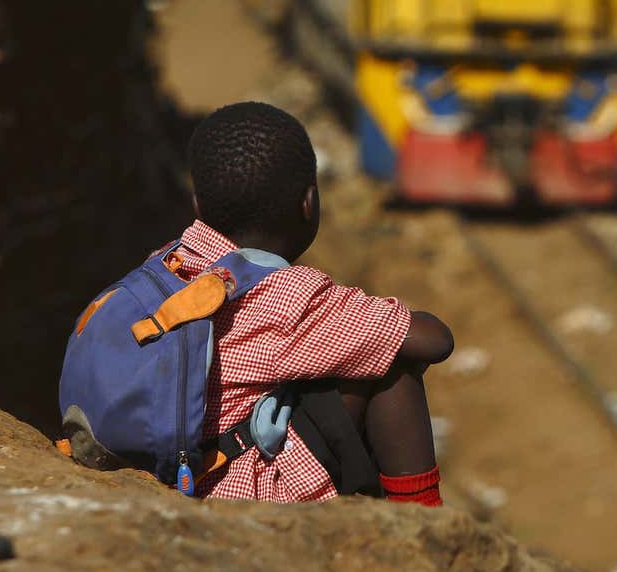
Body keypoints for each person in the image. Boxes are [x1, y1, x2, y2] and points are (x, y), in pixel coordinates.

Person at [176, 101, 453, 504]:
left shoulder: (169, 266)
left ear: (198, 207)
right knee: (390, 363)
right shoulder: (285, 297)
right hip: (233, 491)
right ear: (309, 203)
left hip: (175, 466)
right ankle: (425, 527)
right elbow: (434, 339)